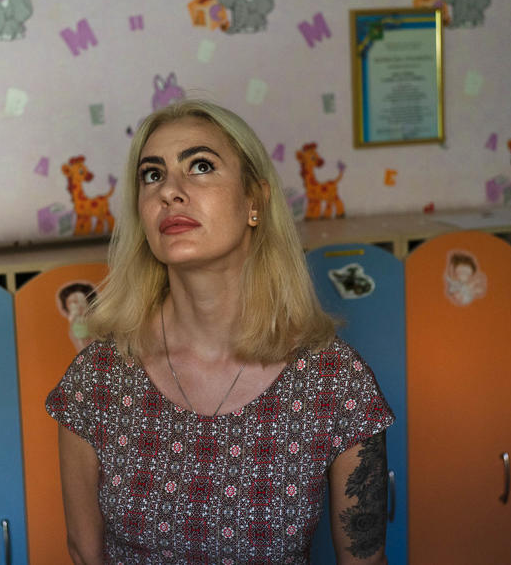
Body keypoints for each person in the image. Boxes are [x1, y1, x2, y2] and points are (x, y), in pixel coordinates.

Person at [46, 99, 394, 564]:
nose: (170, 191)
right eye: (152, 175)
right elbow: (85, 554)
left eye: (201, 166)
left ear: (255, 201)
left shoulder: (336, 383)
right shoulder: (96, 380)